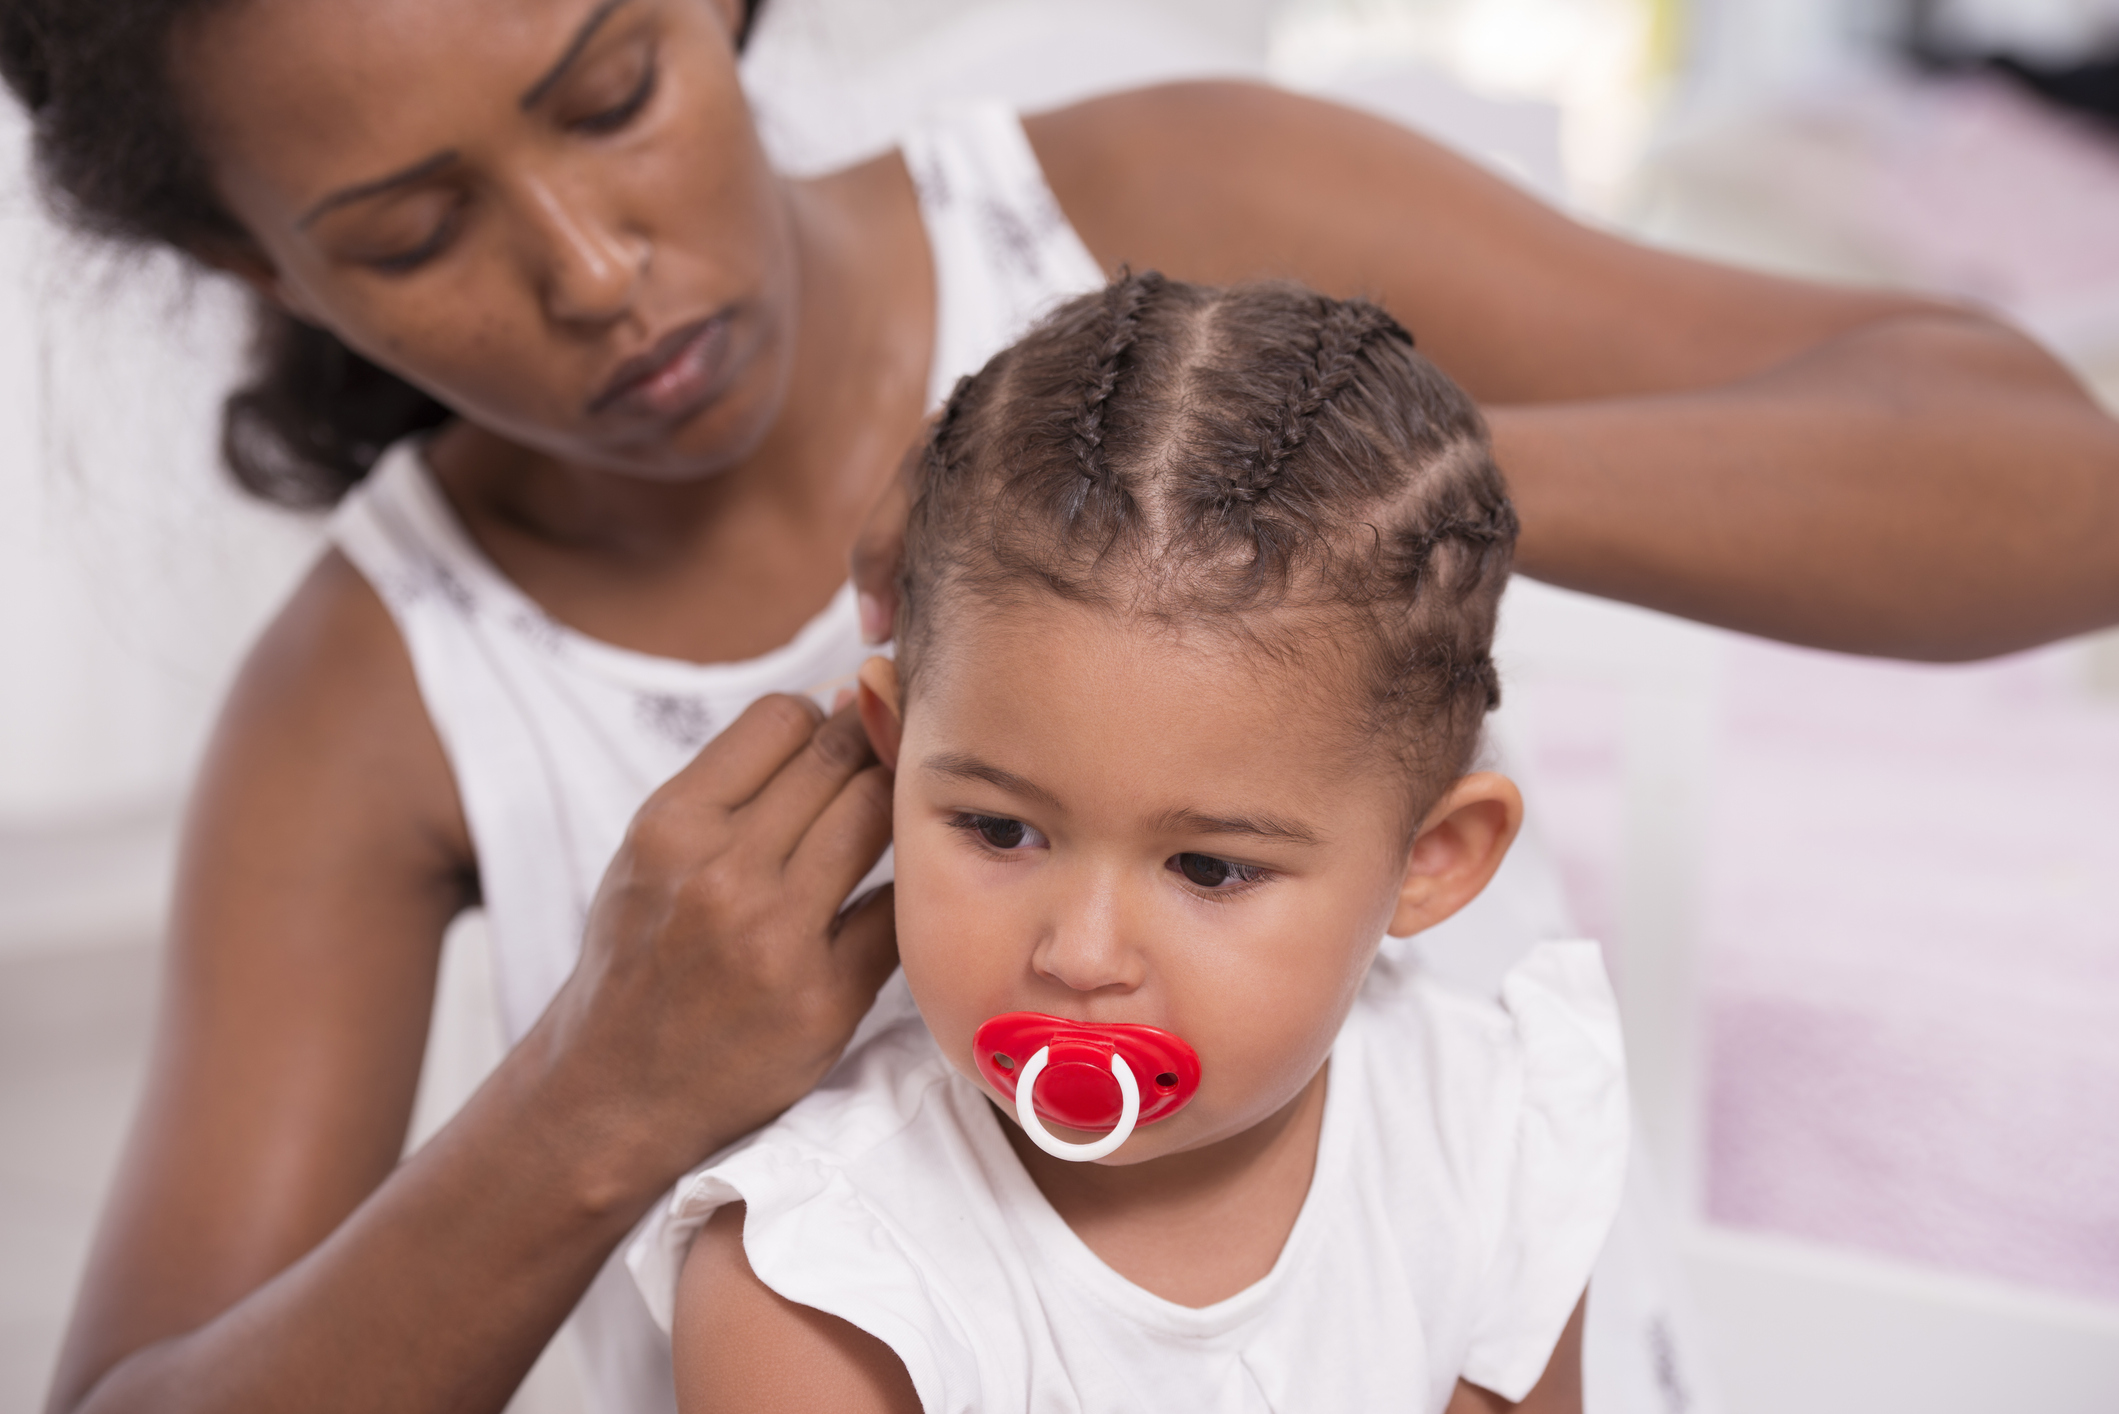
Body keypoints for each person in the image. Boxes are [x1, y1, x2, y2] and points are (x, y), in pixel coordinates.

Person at [3, 0, 2115, 1411]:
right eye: (410, 231)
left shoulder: (1173, 211)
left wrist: (1323, 510)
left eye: (611, 89)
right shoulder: (375, 694)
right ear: (262, 262)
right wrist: (598, 1093)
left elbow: (2058, 484)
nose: (590, 268)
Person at [635, 272, 1630, 1414]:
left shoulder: (1493, 1134)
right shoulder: (819, 1278)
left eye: (1209, 867)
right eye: (999, 829)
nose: (1081, 953)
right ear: (895, 751)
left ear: (1432, 857)